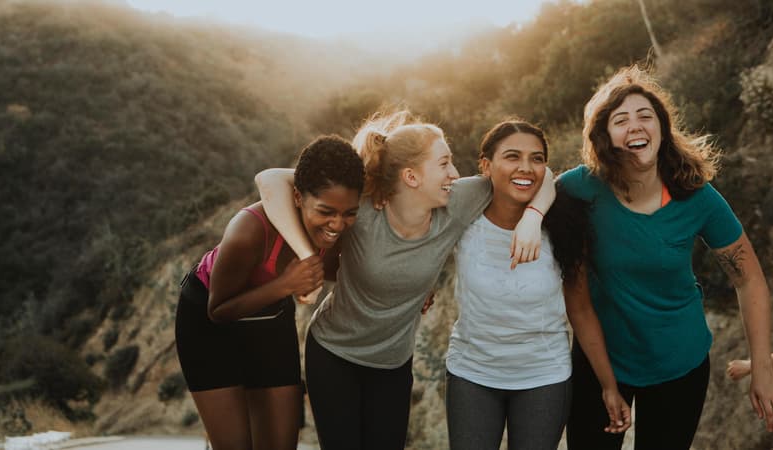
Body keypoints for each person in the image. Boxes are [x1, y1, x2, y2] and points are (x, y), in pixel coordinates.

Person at [254, 110, 555, 450]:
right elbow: (270, 180)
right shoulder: (363, 208)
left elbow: (538, 175)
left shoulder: (457, 202)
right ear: (411, 176)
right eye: (444, 164)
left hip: (393, 363)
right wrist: (307, 256)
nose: (455, 174)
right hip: (334, 354)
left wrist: (533, 217)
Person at [559, 65, 773, 450]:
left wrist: (762, 368)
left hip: (680, 363)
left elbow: (749, 279)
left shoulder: (696, 195)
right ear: (605, 136)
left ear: (662, 127)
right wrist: (529, 219)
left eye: (646, 116)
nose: (636, 125)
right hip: (601, 361)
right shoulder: (582, 187)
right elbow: (534, 185)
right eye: (621, 120)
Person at [445, 119, 631, 450]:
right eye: (512, 157)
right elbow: (420, 239)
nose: (526, 168)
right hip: (472, 372)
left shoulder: (565, 226)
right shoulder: (463, 214)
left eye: (537, 158)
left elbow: (582, 310)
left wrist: (608, 385)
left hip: (543, 377)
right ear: (486, 166)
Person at [174, 135, 364, 450]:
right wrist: (285, 285)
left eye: (349, 213)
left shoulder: (337, 231)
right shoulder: (249, 230)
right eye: (327, 211)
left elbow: (348, 271)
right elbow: (217, 311)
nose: (338, 224)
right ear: (298, 197)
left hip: (269, 320)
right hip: (208, 324)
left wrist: (414, 289)